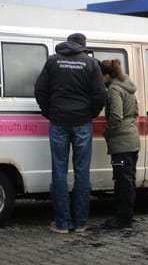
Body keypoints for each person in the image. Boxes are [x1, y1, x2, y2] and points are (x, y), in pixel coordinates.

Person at [34, 33, 106, 234]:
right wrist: (89, 113)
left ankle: (62, 223)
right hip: (82, 122)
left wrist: (50, 112)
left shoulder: (53, 61)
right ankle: (81, 223)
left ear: (68, 43)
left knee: (59, 171)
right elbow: (100, 94)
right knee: (82, 172)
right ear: (83, 46)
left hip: (58, 122)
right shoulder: (90, 64)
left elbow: (40, 90)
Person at [100, 59, 140, 229]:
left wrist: (107, 132)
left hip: (121, 142)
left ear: (107, 75)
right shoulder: (128, 86)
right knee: (129, 180)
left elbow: (116, 116)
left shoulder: (114, 90)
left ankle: (123, 220)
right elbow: (136, 111)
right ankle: (128, 216)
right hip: (132, 139)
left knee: (122, 181)